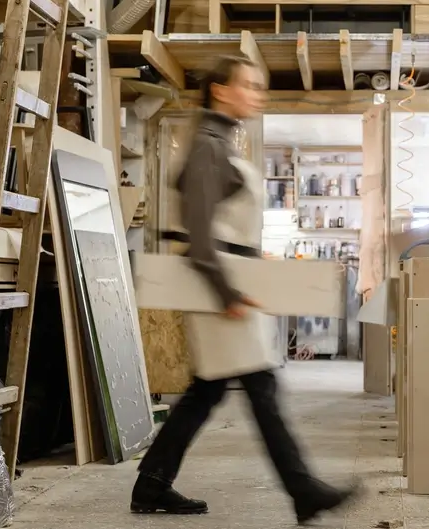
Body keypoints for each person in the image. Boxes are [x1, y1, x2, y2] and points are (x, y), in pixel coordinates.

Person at [130, 55, 360, 525]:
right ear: (220, 90)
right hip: (218, 285)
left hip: (226, 278)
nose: (257, 93)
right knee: (262, 386)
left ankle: (151, 483)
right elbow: (197, 233)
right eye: (249, 85)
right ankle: (303, 489)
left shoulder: (217, 139)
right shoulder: (209, 145)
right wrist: (228, 293)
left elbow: (218, 225)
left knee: (207, 391)